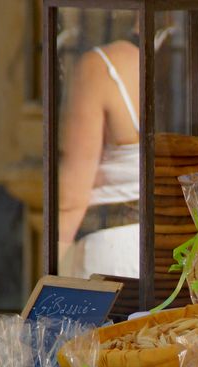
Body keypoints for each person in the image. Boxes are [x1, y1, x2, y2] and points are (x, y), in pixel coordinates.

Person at [58, 39, 141, 279]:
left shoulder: (99, 67)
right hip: (179, 251)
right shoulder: (187, 55)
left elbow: (71, 199)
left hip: (112, 254)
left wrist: (48, 279)